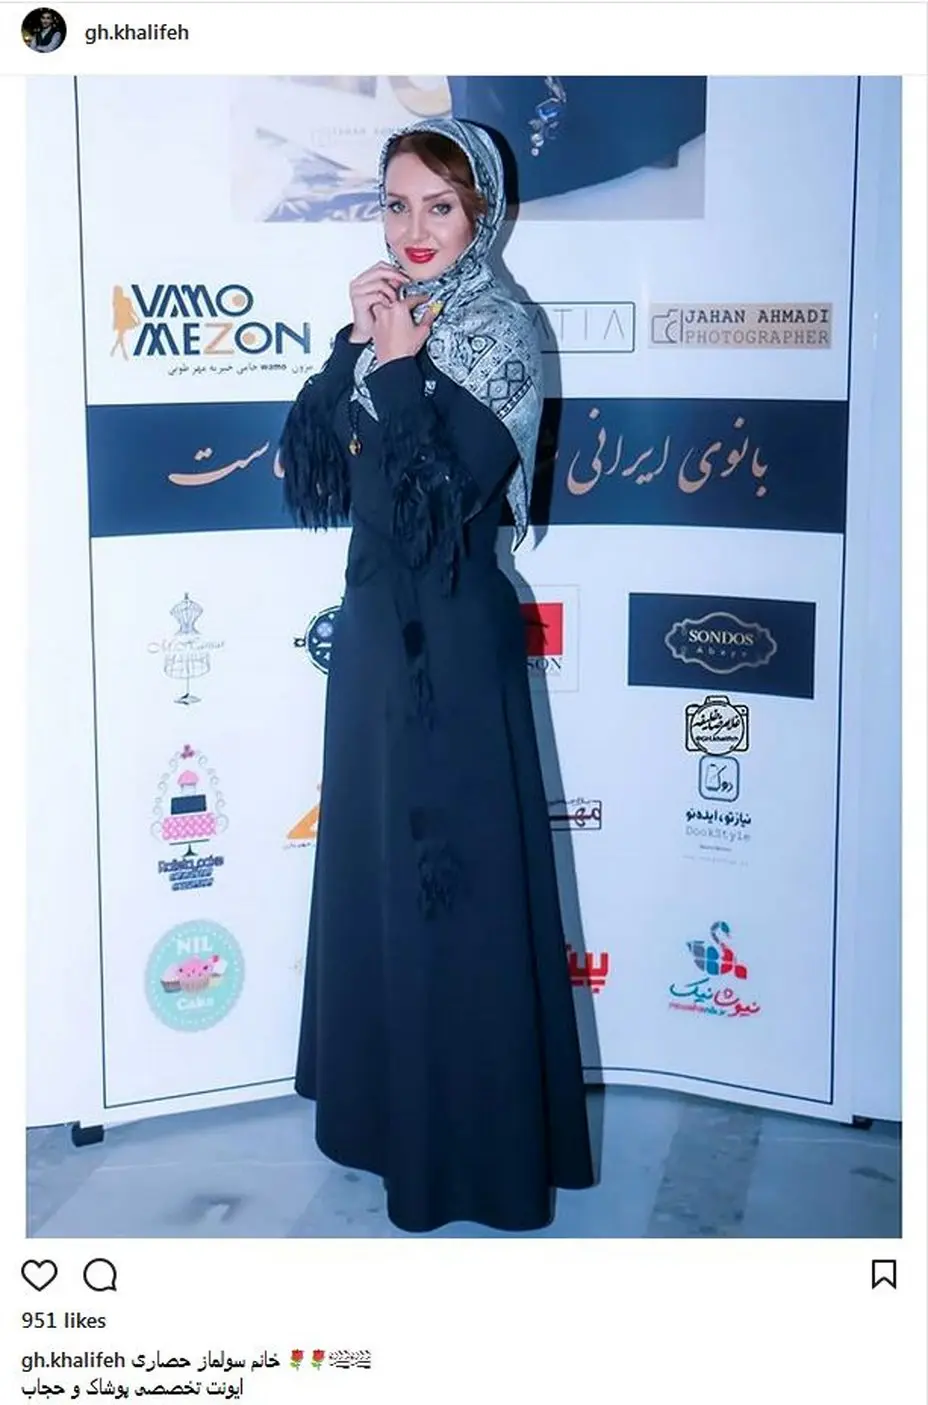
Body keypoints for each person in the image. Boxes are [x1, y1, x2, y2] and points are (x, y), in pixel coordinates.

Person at [279, 117, 595, 1234]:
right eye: (396, 203)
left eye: (440, 207)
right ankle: (385, 1124)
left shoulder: (500, 329)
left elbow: (440, 512)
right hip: (374, 639)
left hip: (450, 649)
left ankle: (468, 1161)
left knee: (451, 893)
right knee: (383, 883)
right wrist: (351, 352)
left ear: (482, 215)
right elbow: (315, 473)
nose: (414, 229)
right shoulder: (393, 318)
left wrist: (404, 369)